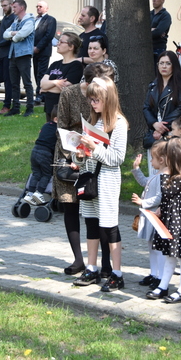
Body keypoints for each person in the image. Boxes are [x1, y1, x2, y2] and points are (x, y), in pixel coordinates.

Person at [54, 63, 115, 277]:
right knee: (70, 205)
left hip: (94, 155)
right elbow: (61, 125)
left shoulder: (105, 96)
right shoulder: (69, 93)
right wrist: (71, 154)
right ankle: (79, 259)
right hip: (69, 151)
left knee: (96, 211)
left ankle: (104, 262)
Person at [72, 76, 129, 293]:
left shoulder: (118, 123)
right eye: (91, 100)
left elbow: (116, 159)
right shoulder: (93, 121)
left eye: (96, 100)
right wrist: (79, 154)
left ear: (108, 98)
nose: (93, 104)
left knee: (109, 227)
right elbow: (86, 156)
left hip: (106, 181)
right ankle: (91, 267)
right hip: (89, 179)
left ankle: (117, 273)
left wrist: (94, 147)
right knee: (91, 224)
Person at [144, 138, 181, 304]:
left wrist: (164, 173)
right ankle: (163, 286)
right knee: (169, 256)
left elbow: (167, 193)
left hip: (180, 225)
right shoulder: (171, 177)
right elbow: (166, 198)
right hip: (170, 223)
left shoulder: (178, 179)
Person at [143, 50, 181, 173]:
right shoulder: (153, 85)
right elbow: (146, 107)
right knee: (153, 171)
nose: (164, 66)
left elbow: (180, 109)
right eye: (161, 63)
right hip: (153, 134)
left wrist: (162, 127)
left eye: (168, 63)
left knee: (169, 172)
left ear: (174, 65)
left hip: (171, 135)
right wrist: (154, 124)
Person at [130, 140, 167, 291]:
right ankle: (154, 273)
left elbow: (159, 197)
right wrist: (136, 168)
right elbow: (144, 182)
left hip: (155, 216)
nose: (150, 161)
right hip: (148, 215)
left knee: (158, 248)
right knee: (151, 246)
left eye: (152, 158)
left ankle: (160, 276)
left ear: (162, 159)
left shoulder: (163, 176)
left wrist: (142, 202)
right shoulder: (156, 174)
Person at [3, 0, 36, 117]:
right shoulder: (16, 21)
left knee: (27, 82)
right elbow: (5, 34)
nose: (13, 9)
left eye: (15, 6)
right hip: (13, 54)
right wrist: (13, 34)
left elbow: (21, 35)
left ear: (22, 8)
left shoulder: (29, 21)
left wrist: (14, 35)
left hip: (24, 54)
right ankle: (15, 107)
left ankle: (29, 108)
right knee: (14, 83)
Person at [40, 31, 82, 118]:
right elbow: (42, 84)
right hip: (49, 107)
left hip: (63, 109)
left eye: (61, 42)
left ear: (71, 47)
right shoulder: (55, 64)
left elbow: (64, 89)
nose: (57, 44)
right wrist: (55, 82)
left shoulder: (76, 65)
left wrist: (46, 89)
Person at [23, 106, 59, 206]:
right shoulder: (58, 129)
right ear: (56, 119)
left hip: (35, 151)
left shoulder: (46, 125)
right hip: (45, 153)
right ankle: (39, 193)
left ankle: (30, 193)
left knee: (36, 174)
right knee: (46, 174)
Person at [32, 1, 57, 103]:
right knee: (35, 72)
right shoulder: (34, 20)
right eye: (37, 6)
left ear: (46, 8)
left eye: (40, 6)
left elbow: (49, 35)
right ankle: (39, 93)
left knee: (41, 73)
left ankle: (41, 95)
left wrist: (38, 47)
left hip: (43, 51)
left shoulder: (50, 20)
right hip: (33, 51)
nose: (38, 8)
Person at [150, 0, 171, 64]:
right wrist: (152, 30)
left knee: (158, 72)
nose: (154, 0)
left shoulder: (165, 16)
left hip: (159, 48)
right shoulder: (149, 14)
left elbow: (158, 32)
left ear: (163, 0)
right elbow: (141, 30)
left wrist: (154, 31)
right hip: (148, 48)